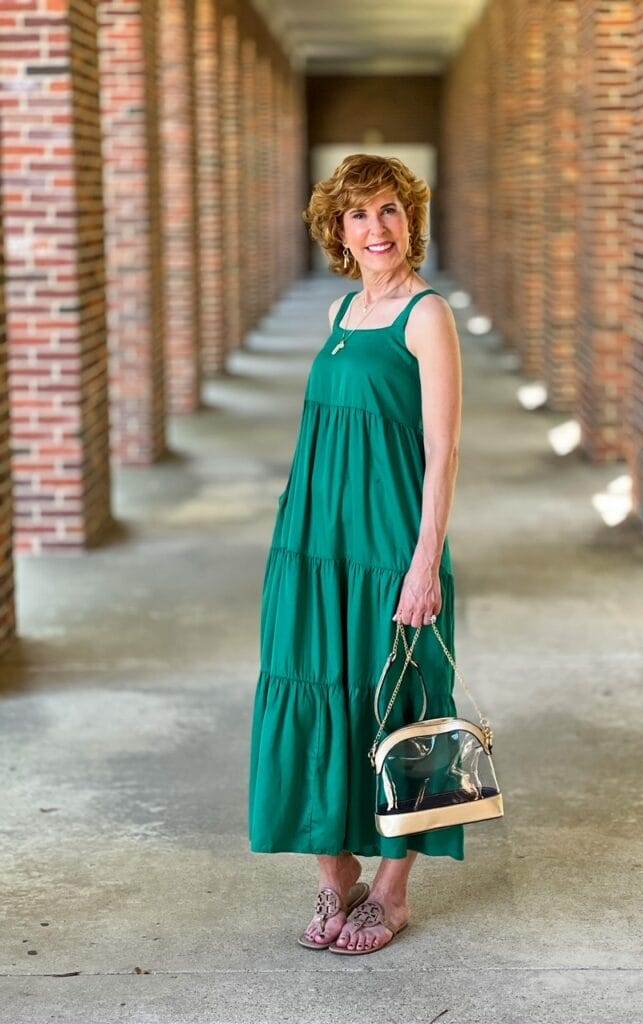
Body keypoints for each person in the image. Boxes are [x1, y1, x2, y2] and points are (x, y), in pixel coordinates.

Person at [248, 153, 464, 955]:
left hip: (387, 546)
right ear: (337, 230)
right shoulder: (343, 314)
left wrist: (423, 562)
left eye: (390, 211)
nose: (377, 228)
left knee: (398, 707)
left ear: (411, 220)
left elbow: (441, 452)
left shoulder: (426, 314)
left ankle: (393, 890)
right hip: (312, 543)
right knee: (312, 695)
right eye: (360, 215)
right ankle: (333, 879)